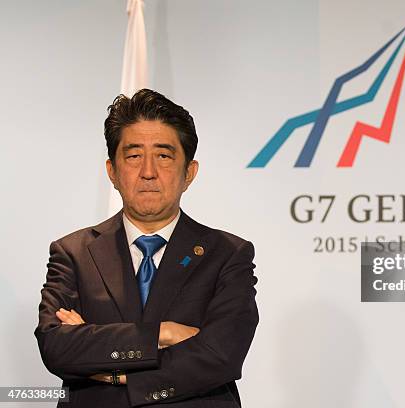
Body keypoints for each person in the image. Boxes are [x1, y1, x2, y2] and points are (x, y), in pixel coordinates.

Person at [34, 89, 259, 407]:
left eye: (164, 156)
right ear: (112, 171)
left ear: (189, 173)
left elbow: (221, 355)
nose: (148, 171)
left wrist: (116, 374)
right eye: (134, 155)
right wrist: (162, 334)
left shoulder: (227, 254)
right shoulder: (73, 252)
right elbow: (57, 346)